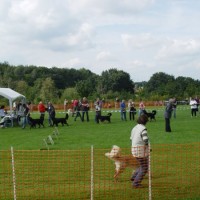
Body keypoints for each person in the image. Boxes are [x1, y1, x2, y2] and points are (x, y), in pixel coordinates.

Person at [130, 114, 149, 188]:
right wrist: (148, 148)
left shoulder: (134, 128)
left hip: (134, 149)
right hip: (140, 150)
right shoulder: (143, 129)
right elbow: (145, 140)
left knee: (141, 165)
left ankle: (134, 177)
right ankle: (136, 183)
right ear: (145, 121)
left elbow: (131, 138)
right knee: (144, 167)